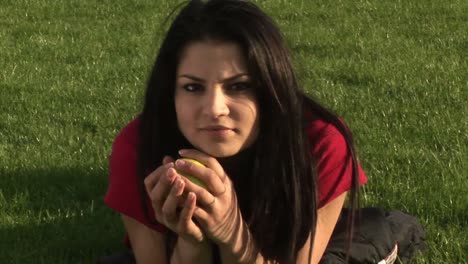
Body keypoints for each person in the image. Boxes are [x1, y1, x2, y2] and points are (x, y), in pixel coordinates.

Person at [104, 0, 368, 263]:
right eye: (193, 88)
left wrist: (231, 235)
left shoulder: (320, 143)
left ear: (270, 88)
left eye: (239, 86)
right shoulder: (137, 147)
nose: (215, 109)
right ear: (170, 91)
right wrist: (191, 242)